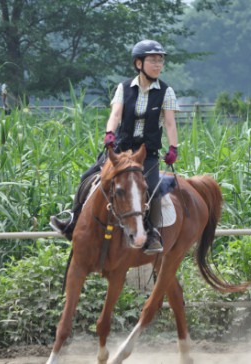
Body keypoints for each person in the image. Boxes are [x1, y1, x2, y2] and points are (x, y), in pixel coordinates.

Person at [50, 39, 179, 255]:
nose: (158, 65)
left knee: (153, 187)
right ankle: (72, 221)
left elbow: (169, 123)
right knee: (88, 176)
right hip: (120, 150)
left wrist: (173, 148)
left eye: (161, 61)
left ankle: (153, 232)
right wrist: (109, 132)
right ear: (139, 63)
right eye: (153, 60)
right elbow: (116, 114)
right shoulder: (124, 88)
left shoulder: (166, 92)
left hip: (145, 154)